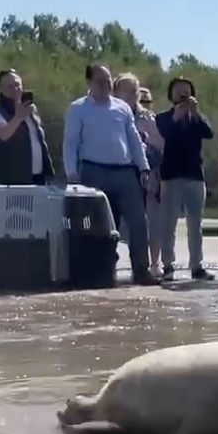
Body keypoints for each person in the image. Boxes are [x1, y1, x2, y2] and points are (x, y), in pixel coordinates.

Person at [63, 64, 157, 285]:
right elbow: (70, 144)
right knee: (99, 225)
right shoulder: (78, 109)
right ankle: (101, 271)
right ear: (89, 83)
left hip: (124, 172)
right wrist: (71, 173)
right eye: (100, 81)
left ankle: (142, 270)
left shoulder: (122, 108)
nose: (105, 85)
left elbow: (134, 140)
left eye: (108, 81)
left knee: (138, 222)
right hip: (93, 172)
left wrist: (143, 168)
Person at [155, 76, 215, 281]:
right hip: (171, 176)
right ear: (171, 94)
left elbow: (209, 133)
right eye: (179, 90)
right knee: (168, 223)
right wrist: (177, 116)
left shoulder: (197, 118)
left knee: (195, 224)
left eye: (187, 90)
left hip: (195, 176)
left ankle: (196, 265)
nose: (183, 93)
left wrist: (195, 113)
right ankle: (168, 266)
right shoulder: (163, 117)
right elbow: (166, 133)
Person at [114, 75, 164, 274]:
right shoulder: (110, 114)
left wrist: (144, 144)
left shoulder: (149, 118)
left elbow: (161, 146)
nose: (130, 96)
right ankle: (111, 263)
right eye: (125, 91)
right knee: (117, 223)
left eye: (133, 91)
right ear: (116, 92)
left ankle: (152, 265)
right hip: (120, 174)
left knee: (150, 221)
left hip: (148, 176)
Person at [0, 69, 54, 185]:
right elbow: (3, 134)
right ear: (1, 89)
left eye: (17, 85)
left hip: (39, 175)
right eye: (9, 86)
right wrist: (18, 117)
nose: (15, 89)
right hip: (14, 177)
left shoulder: (29, 108)